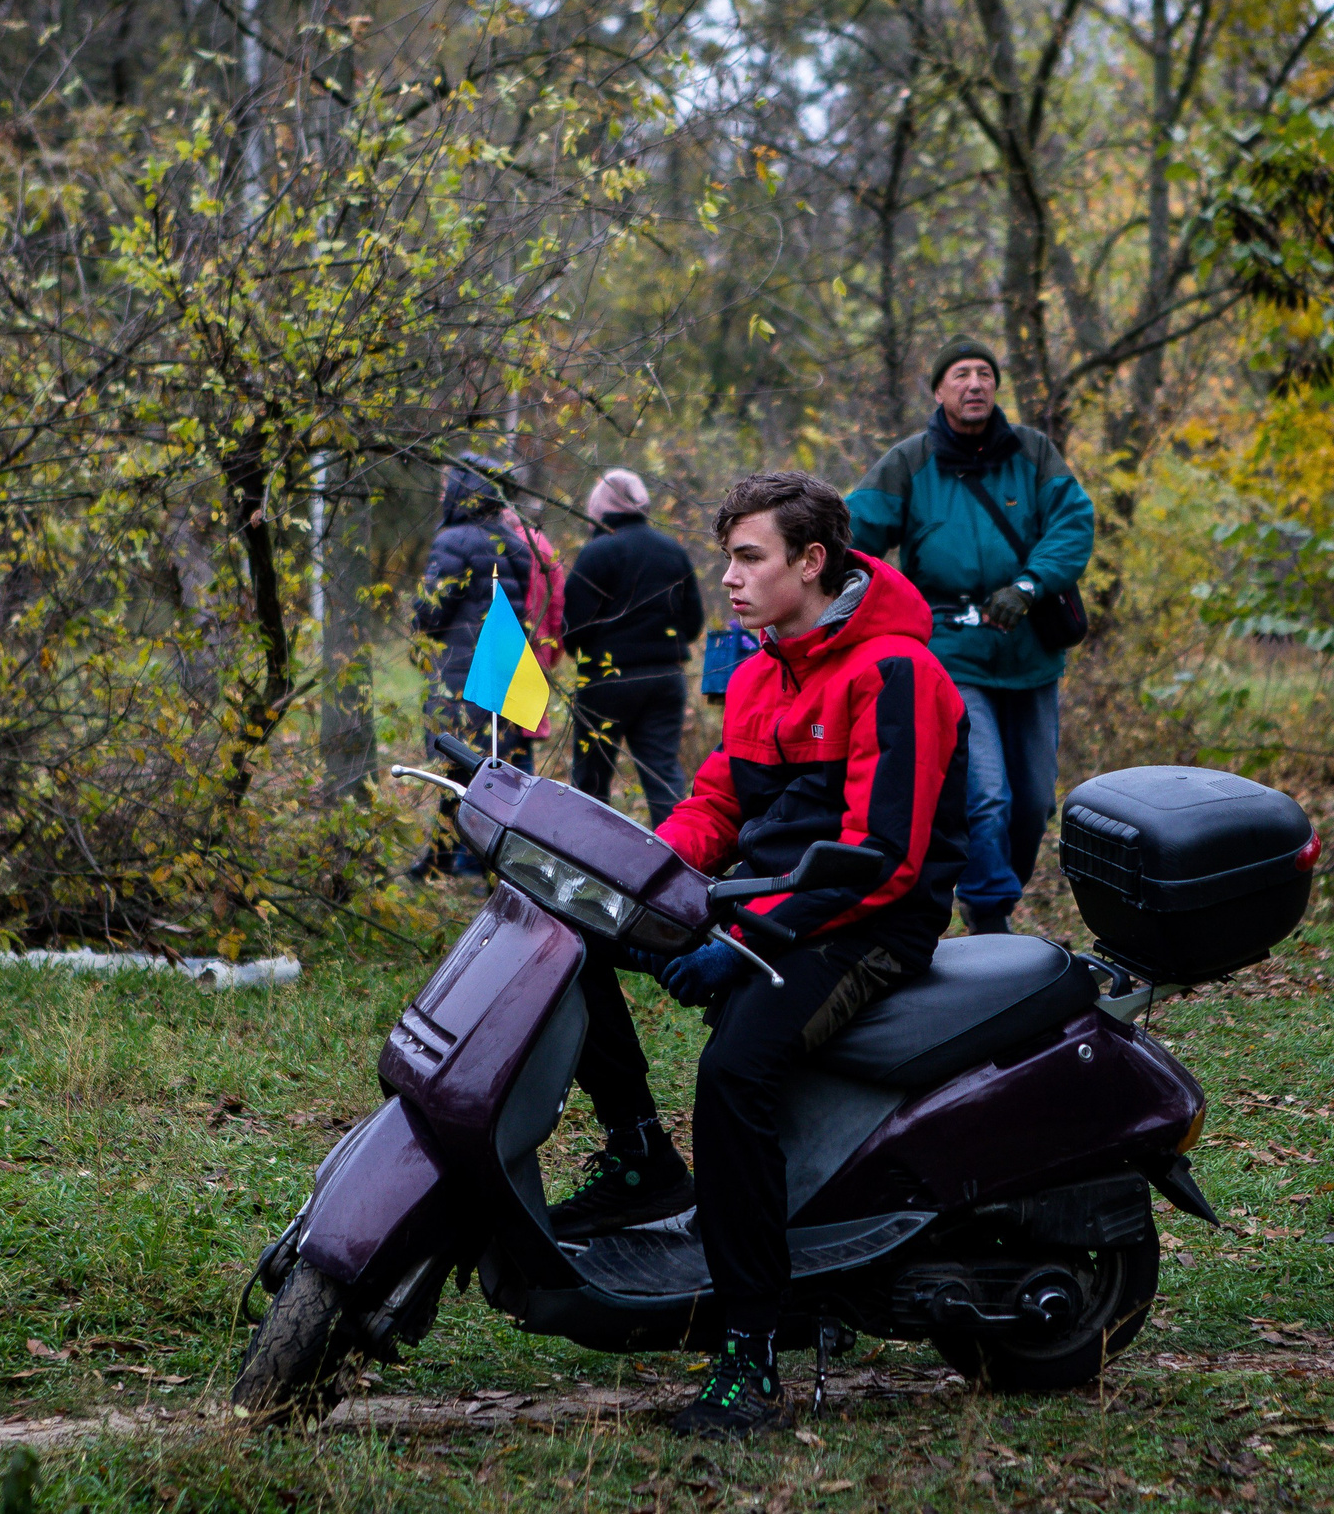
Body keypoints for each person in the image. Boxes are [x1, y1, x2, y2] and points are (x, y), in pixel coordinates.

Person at [637, 470, 969, 1438]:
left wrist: (740, 944)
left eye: (749, 559)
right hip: (770, 913)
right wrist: (637, 874)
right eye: (726, 558)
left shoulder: (895, 675)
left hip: (866, 925)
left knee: (734, 1072)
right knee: (582, 952)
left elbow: (882, 860)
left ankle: (751, 1347)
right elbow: (716, 807)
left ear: (811, 562)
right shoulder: (757, 672)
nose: (729, 580)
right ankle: (634, 1161)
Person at [847, 338, 1094, 936]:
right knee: (986, 795)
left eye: (985, 373)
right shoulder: (909, 462)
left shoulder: (1033, 453)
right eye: (961, 375)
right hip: (949, 652)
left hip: (1030, 649)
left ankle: (993, 895)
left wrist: (1030, 586)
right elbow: (851, 534)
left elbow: (1074, 522)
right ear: (939, 390)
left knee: (1034, 803)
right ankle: (989, 916)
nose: (975, 384)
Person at [409, 455, 560, 876]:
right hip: (500, 673)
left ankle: (455, 863)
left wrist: (415, 624)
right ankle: (463, 862)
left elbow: (431, 612)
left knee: (455, 769)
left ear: (462, 491)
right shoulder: (513, 541)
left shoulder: (454, 541)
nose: (442, 496)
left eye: (446, 487)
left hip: (459, 675)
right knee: (492, 772)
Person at [563, 469, 704, 826]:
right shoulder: (673, 551)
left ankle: (587, 860)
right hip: (665, 677)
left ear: (601, 506)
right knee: (663, 777)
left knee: (591, 781)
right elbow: (693, 622)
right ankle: (678, 862)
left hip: (605, 683)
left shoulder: (596, 553)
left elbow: (573, 628)